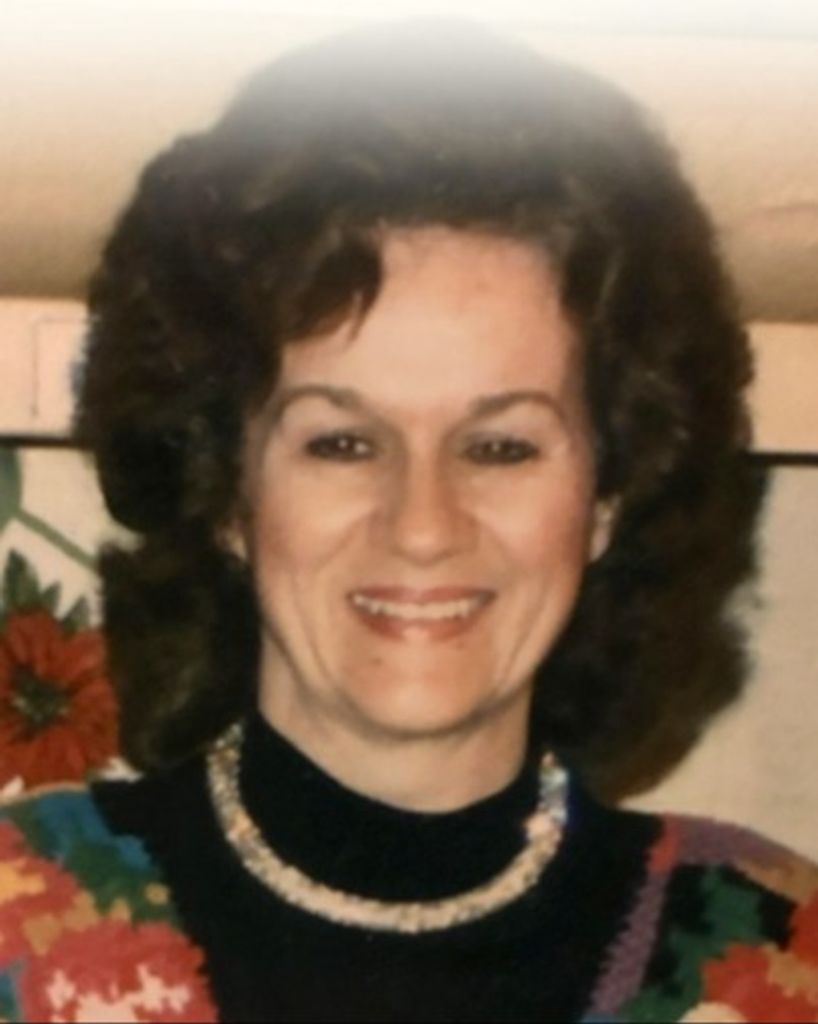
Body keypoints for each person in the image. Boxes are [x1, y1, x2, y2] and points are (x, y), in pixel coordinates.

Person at [2, 19, 817, 1024]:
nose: (422, 526)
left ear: (609, 492)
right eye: (343, 442)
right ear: (226, 491)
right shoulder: (14, 932)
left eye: (501, 446)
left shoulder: (774, 955)